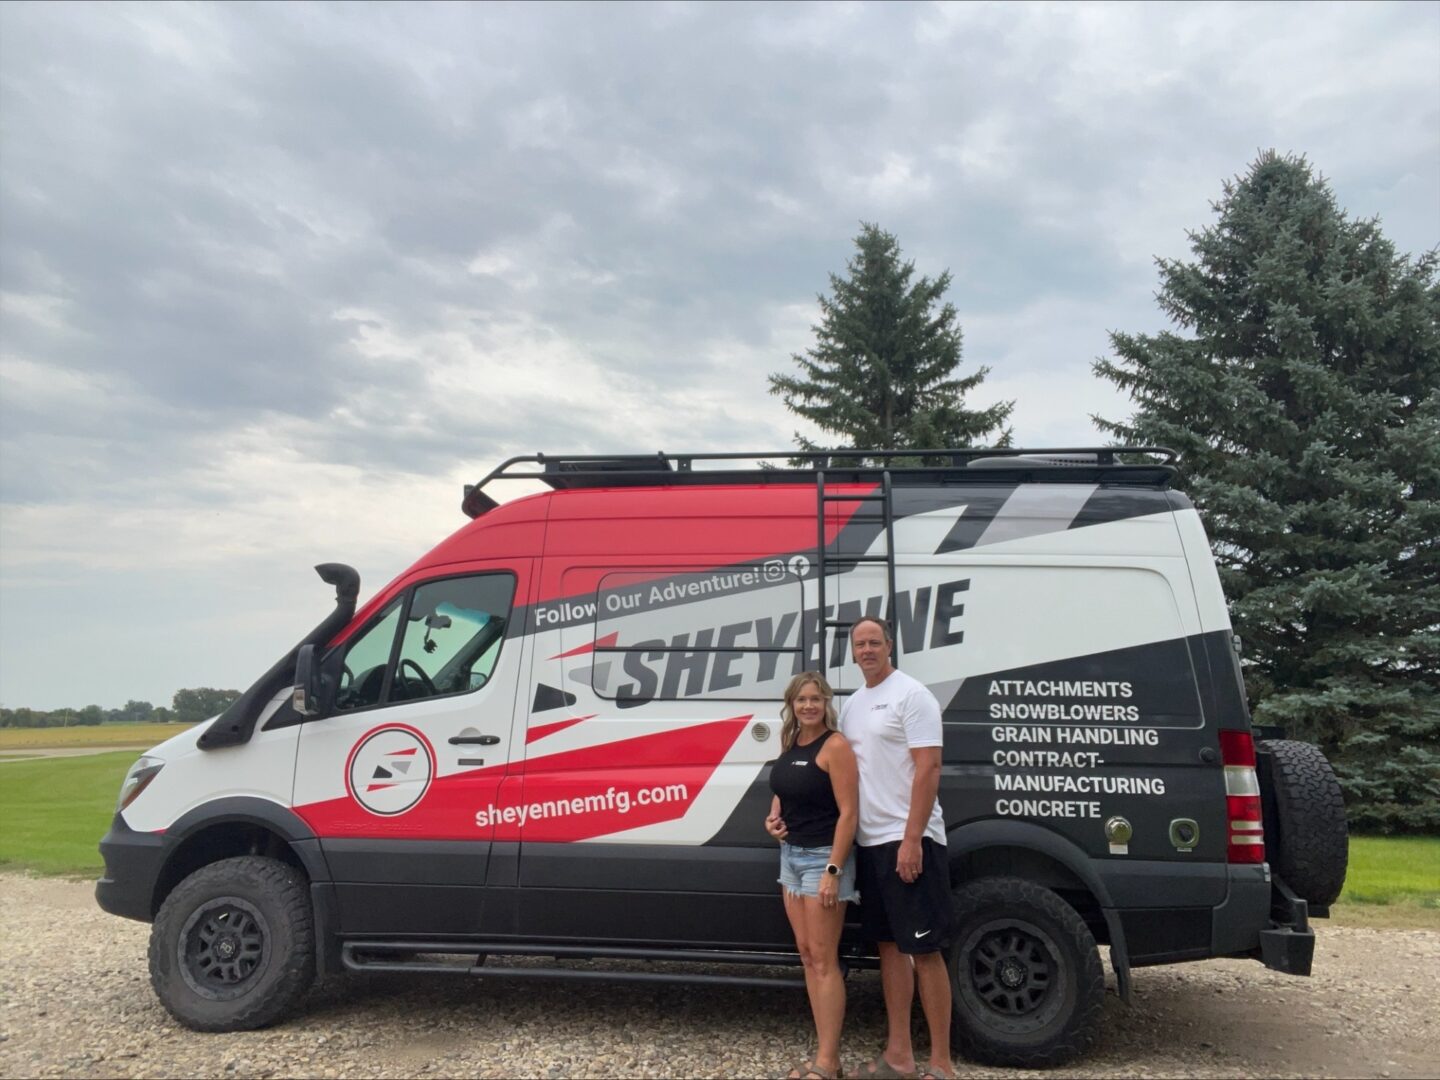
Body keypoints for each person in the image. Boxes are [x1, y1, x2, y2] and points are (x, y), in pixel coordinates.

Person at [842, 616, 955, 1080]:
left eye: (875, 642)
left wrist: (912, 839)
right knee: (890, 949)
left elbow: (929, 768)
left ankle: (942, 1064)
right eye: (860, 644)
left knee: (925, 952)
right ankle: (900, 1056)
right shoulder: (852, 705)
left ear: (889, 646)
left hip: (909, 840)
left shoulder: (913, 695)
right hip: (870, 844)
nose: (867, 650)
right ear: (852, 652)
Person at [765, 671, 860, 1080]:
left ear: (826, 704)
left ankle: (827, 1061)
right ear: (792, 704)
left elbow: (849, 813)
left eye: (815, 699)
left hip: (824, 860)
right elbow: (785, 790)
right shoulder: (792, 743)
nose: (808, 706)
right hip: (791, 858)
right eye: (802, 699)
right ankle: (825, 1057)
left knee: (824, 961)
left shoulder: (835, 746)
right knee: (807, 956)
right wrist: (773, 819)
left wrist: (833, 871)